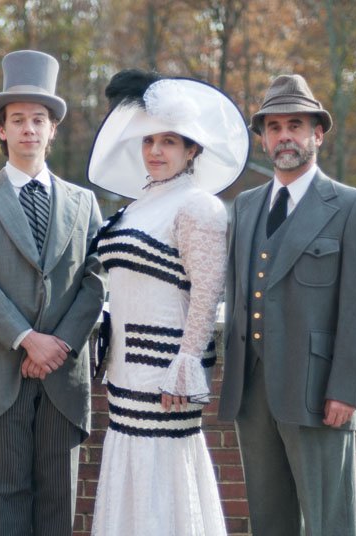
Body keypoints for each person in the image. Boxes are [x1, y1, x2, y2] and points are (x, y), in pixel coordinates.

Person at [0, 50, 106, 536]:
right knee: (6, 498)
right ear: (2, 130)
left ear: (52, 129)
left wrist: (57, 345)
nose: (28, 130)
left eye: (39, 119)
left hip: (65, 376)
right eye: (17, 120)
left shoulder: (85, 201)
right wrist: (26, 338)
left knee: (61, 500)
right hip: (2, 371)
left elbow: (97, 278)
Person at [87, 72, 250, 535]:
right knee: (130, 466)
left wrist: (187, 362)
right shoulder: (138, 204)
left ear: (192, 149)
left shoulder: (198, 206)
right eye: (149, 140)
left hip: (166, 371)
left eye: (169, 142)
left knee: (163, 477)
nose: (156, 151)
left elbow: (207, 291)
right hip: (124, 365)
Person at [218, 74, 356, 536]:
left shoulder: (349, 207)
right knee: (269, 520)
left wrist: (347, 388)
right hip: (252, 391)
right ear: (263, 139)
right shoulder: (244, 207)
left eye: (295, 125)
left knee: (328, 521)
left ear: (316, 133)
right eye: (274, 127)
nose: (284, 137)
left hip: (318, 391)